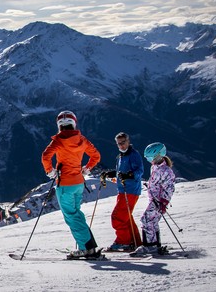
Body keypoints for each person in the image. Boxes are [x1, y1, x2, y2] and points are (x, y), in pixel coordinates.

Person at [41, 110, 102, 259]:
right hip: (79, 182)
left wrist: (51, 172)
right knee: (77, 213)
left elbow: (45, 156)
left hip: (65, 184)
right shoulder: (82, 140)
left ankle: (85, 249)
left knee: (71, 216)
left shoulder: (58, 140)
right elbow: (96, 156)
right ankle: (89, 246)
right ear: (73, 124)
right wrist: (87, 169)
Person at [100, 132, 144, 251]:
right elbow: (121, 172)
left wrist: (129, 175)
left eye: (123, 142)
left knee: (117, 217)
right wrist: (110, 174)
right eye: (119, 144)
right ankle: (135, 242)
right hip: (123, 190)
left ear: (128, 141)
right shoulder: (120, 156)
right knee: (126, 217)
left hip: (130, 191)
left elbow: (140, 171)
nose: (121, 145)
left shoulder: (133, 155)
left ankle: (124, 241)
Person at [131, 142, 175, 256]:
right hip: (154, 200)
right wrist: (149, 185)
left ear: (159, 155)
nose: (149, 160)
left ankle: (150, 246)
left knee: (145, 220)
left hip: (159, 201)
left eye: (151, 157)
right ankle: (155, 244)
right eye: (148, 158)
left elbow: (169, 188)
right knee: (152, 221)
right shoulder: (155, 167)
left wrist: (163, 202)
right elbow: (157, 182)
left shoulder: (166, 171)